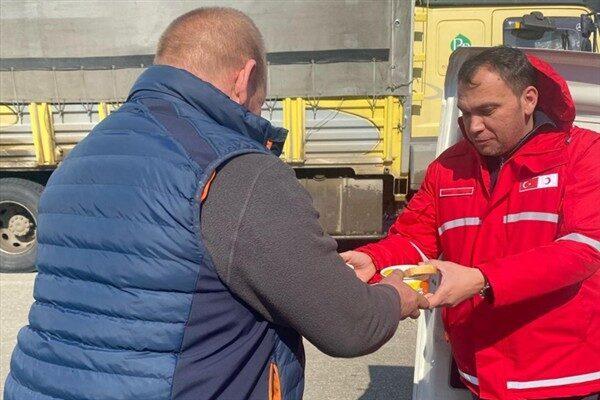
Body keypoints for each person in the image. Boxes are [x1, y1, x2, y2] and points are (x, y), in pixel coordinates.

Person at [3, 7, 428, 400]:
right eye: (264, 93)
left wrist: (317, 273)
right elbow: (350, 325)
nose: (262, 107)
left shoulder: (83, 154)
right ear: (245, 77)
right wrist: (398, 295)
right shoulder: (235, 169)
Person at [343, 46, 600, 400]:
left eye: (487, 111)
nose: (474, 127)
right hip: (478, 377)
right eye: (465, 113)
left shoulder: (582, 154)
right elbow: (414, 240)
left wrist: (482, 280)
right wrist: (374, 259)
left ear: (528, 99)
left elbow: (583, 250)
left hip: (560, 378)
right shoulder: (448, 167)